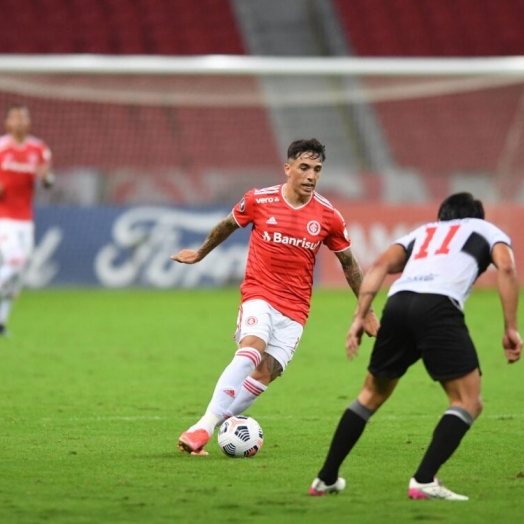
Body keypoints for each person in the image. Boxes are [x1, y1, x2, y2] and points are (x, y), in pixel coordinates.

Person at [171, 138, 380, 456]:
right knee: (252, 347)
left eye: (317, 170)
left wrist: (366, 310)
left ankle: (212, 426)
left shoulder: (328, 216)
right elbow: (227, 226)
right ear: (288, 168)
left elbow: (349, 264)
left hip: (296, 308)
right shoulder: (259, 200)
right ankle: (203, 426)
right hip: (259, 293)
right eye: (305, 168)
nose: (311, 176)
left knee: (268, 370)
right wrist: (200, 253)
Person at [308, 192, 522, 500]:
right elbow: (507, 269)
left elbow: (380, 264)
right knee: (468, 401)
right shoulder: (486, 230)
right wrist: (511, 328)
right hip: (438, 307)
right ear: (477, 215)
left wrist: (359, 317)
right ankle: (424, 479)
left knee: (370, 394)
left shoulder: (424, 232)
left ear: (442, 215)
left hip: (398, 303)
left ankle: (326, 477)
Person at [0, 103, 54, 335]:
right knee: (15, 261)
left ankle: (1, 322)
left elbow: (49, 183)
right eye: (15, 118)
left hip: (26, 220)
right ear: (8, 122)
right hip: (4, 218)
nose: (19, 122)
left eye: (23, 118)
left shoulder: (39, 149)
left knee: (17, 278)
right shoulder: (1, 148)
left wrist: (46, 178)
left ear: (29, 123)